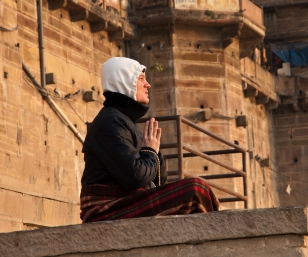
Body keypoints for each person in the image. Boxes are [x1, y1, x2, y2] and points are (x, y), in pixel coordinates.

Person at [80, 57, 219, 223]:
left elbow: (158, 181)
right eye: (140, 79)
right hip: (105, 207)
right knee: (196, 189)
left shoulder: (125, 122)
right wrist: (150, 151)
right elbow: (135, 177)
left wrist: (154, 151)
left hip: (127, 201)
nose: (148, 85)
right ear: (123, 82)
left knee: (198, 191)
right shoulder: (110, 121)